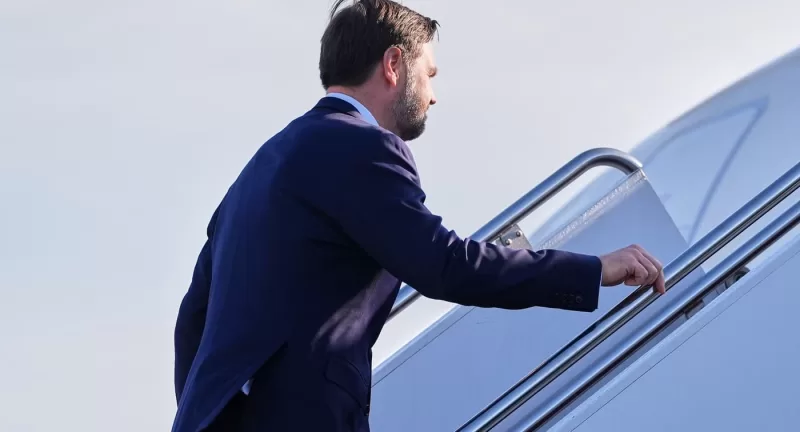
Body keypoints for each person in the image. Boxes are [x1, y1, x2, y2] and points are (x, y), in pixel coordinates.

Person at [171, 0, 666, 431]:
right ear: (393, 65)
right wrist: (593, 270)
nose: (432, 95)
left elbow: (193, 317)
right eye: (428, 74)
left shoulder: (261, 166)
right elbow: (446, 264)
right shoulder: (363, 147)